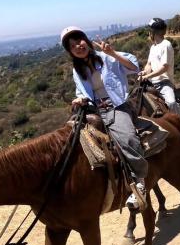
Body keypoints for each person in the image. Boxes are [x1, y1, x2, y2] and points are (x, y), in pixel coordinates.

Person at [61, 26, 148, 205]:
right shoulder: (77, 70)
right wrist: (80, 99)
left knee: (127, 139)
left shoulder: (107, 57)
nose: (78, 46)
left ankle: (140, 182)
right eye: (72, 45)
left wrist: (113, 53)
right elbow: (83, 91)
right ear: (70, 52)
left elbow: (134, 67)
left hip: (117, 105)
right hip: (95, 110)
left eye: (79, 40)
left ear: (86, 40)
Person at [140, 18, 180, 115]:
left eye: (150, 31)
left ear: (153, 32)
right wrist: (144, 72)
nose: (149, 33)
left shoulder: (166, 45)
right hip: (151, 83)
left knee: (171, 103)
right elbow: (149, 65)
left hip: (164, 83)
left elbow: (164, 68)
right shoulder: (153, 47)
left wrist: (147, 76)